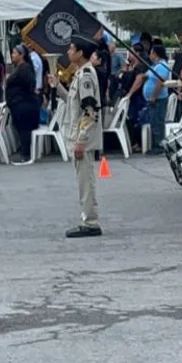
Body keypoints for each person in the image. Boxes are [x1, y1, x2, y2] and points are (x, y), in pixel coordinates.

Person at [60, 35, 105, 238]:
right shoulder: (80, 74)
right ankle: (87, 218)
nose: (69, 52)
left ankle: (90, 221)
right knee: (83, 180)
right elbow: (73, 101)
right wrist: (57, 87)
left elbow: (89, 109)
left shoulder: (86, 75)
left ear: (80, 53)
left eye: (72, 49)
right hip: (77, 133)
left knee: (86, 181)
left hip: (82, 136)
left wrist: (82, 139)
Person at [5, 45, 41, 166]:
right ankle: (24, 152)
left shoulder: (25, 68)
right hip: (18, 104)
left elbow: (29, 84)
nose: (12, 55)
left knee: (24, 129)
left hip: (24, 104)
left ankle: (26, 154)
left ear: (22, 55)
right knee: (21, 129)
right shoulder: (18, 68)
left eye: (15, 53)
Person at [144, 44, 172, 154]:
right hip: (153, 99)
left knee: (157, 121)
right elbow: (146, 76)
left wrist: (154, 96)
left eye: (151, 52)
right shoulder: (155, 66)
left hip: (158, 99)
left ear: (155, 54)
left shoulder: (162, 66)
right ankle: (155, 144)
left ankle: (159, 145)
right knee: (153, 121)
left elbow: (160, 81)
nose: (150, 55)